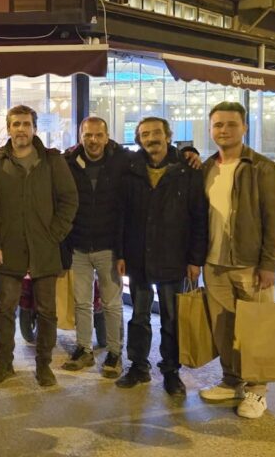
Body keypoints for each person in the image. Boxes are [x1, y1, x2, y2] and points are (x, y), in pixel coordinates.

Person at [199, 102, 275, 419]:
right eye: (218, 125)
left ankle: (257, 391)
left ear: (244, 128)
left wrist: (269, 263)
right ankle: (231, 381)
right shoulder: (207, 168)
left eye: (231, 124)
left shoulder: (263, 168)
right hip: (214, 264)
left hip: (250, 264)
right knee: (223, 330)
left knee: (257, 329)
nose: (223, 130)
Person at [0, 105, 78, 387]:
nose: (21, 129)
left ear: (34, 128)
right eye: (16, 124)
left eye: (26, 124)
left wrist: (55, 234)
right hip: (9, 248)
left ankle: (43, 366)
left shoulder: (51, 160)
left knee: (47, 310)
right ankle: (4, 364)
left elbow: (69, 199)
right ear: (8, 128)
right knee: (5, 309)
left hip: (44, 247)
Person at [114, 117, 207, 397]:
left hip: (173, 257)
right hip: (138, 257)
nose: (151, 138)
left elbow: (199, 217)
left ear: (168, 136)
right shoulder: (130, 169)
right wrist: (120, 253)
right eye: (145, 134)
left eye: (156, 132)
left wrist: (195, 259)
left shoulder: (187, 170)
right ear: (138, 139)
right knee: (138, 316)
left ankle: (171, 371)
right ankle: (138, 366)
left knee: (172, 318)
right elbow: (120, 215)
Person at [61, 116, 127, 379]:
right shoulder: (68, 162)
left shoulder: (121, 160)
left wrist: (187, 154)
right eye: (88, 135)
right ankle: (84, 349)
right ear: (81, 136)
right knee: (82, 303)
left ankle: (114, 353)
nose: (93, 140)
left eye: (98, 135)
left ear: (107, 136)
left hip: (109, 247)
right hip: (79, 246)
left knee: (112, 304)